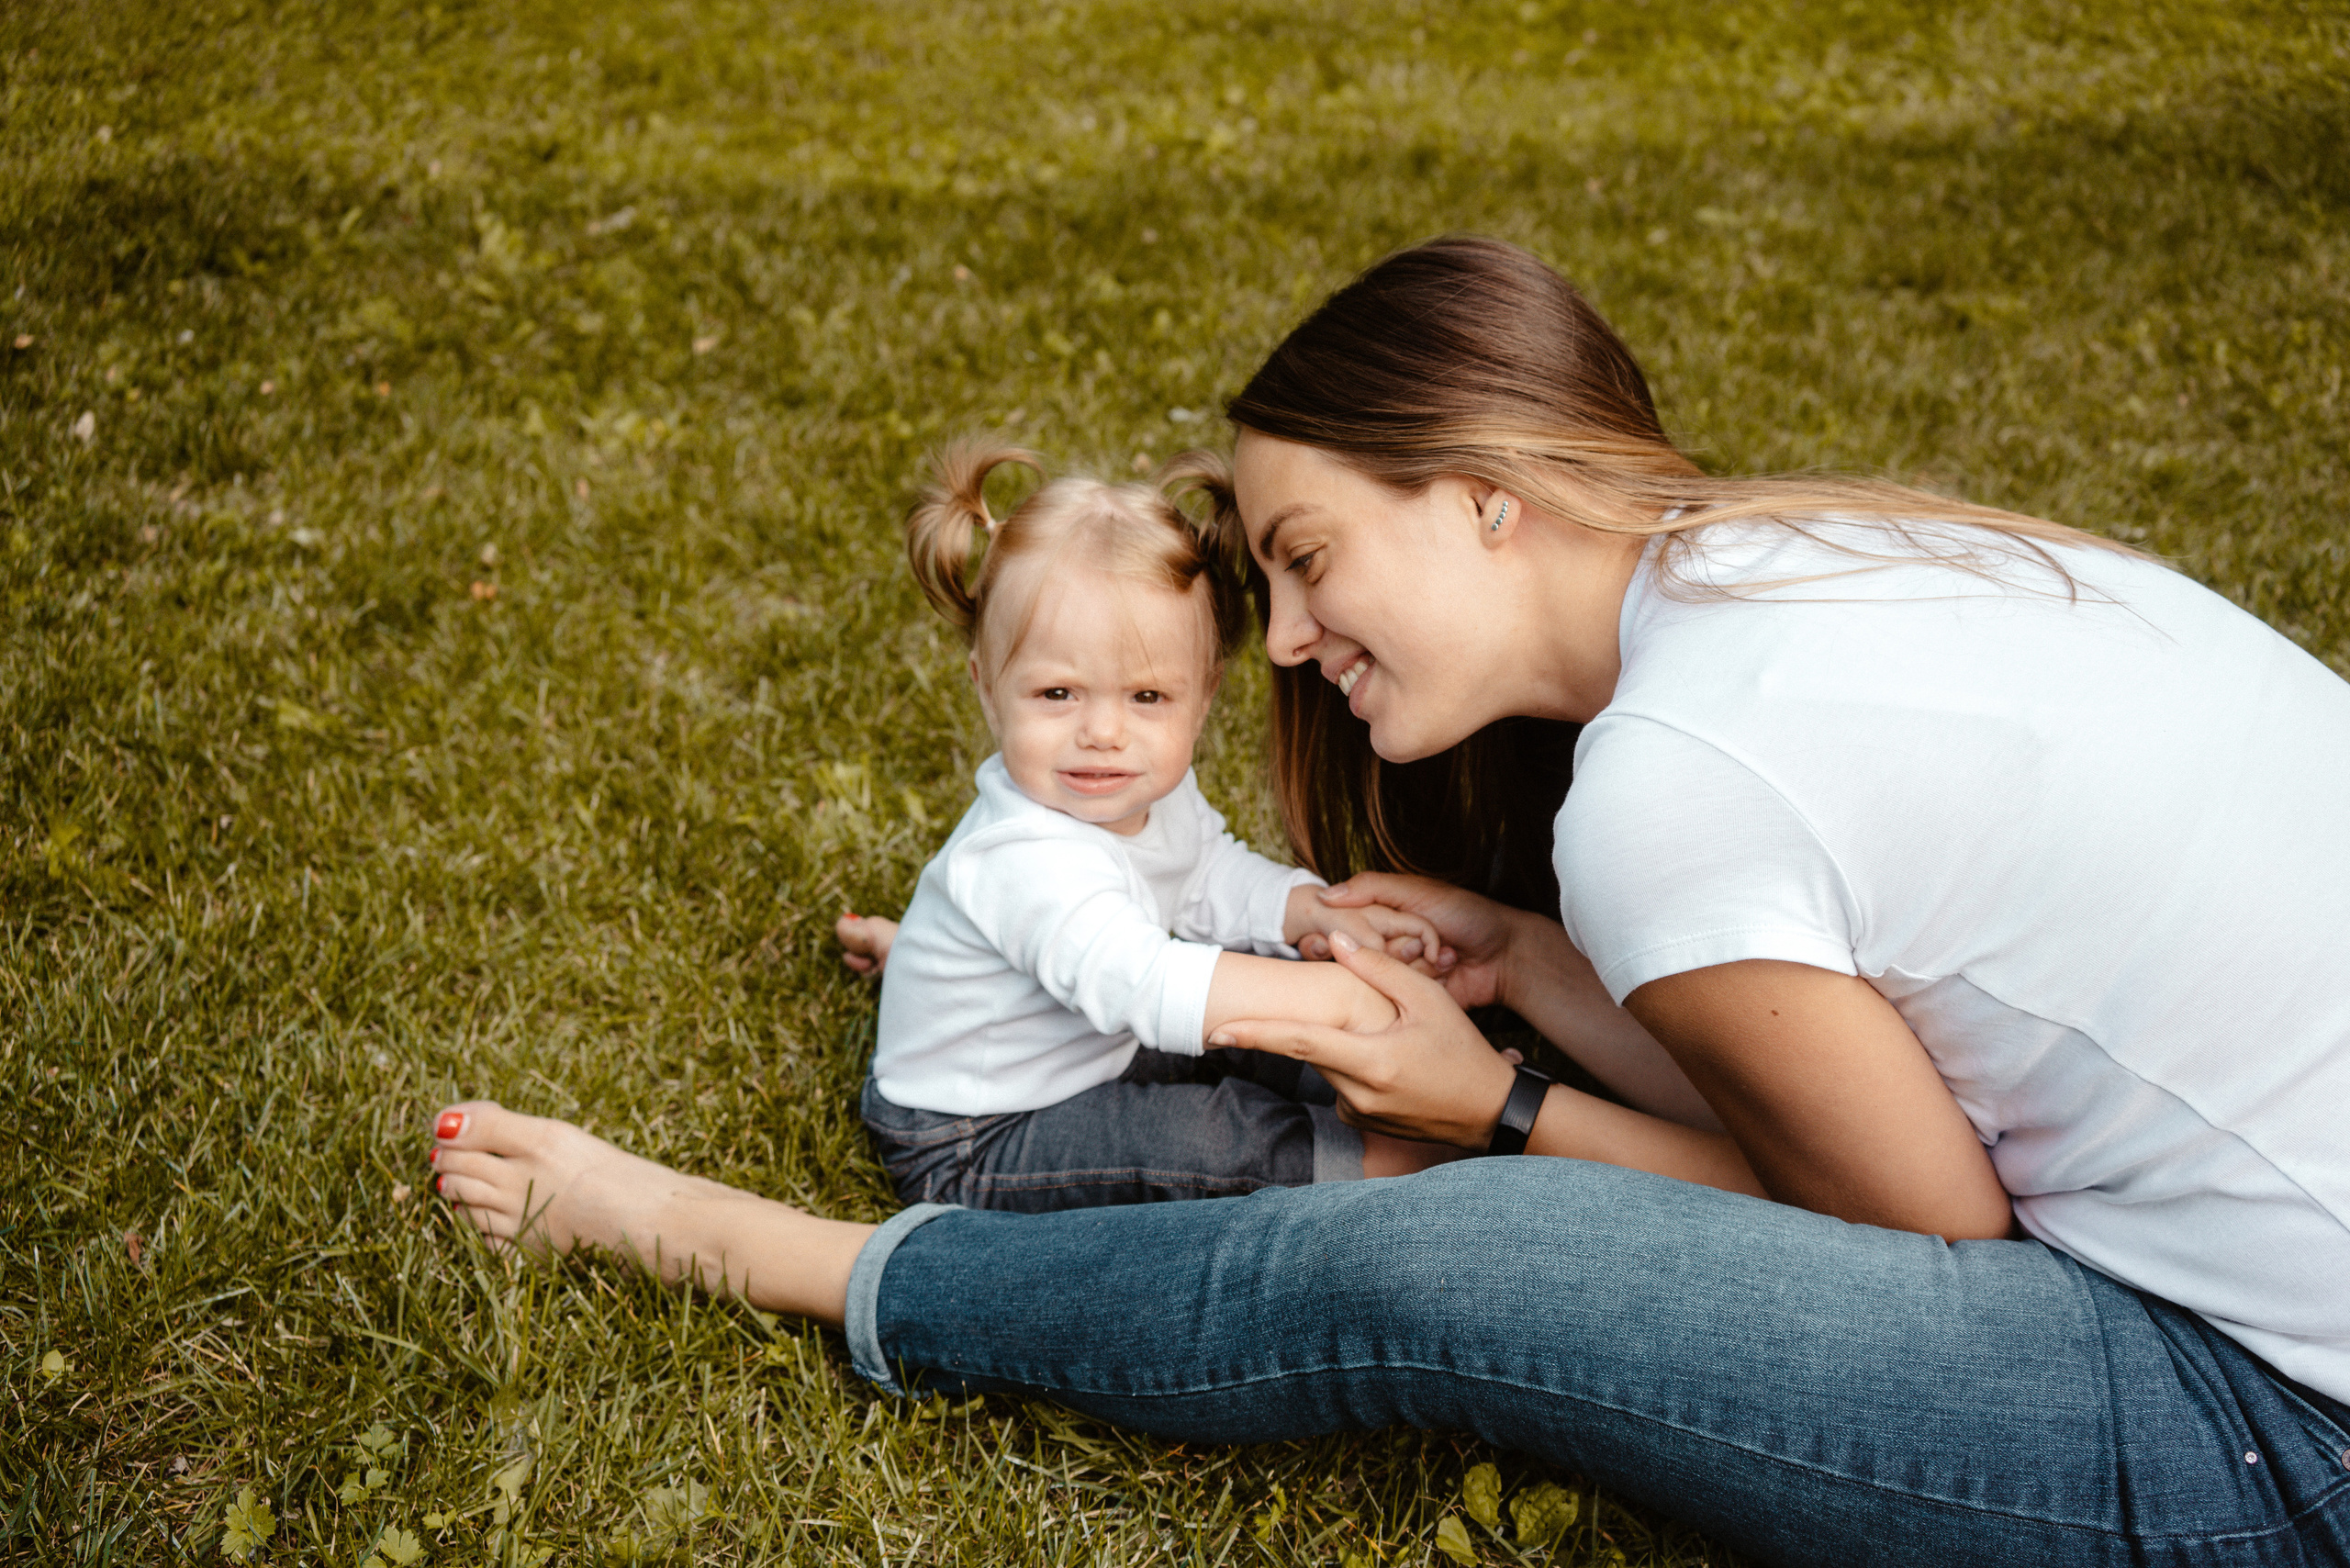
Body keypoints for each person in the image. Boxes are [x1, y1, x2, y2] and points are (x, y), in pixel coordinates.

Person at [427, 236, 2350, 1566]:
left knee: (1446, 1257)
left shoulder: (1673, 787)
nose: (1284, 634)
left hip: (2285, 1429)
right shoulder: (1815, 554)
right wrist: (1514, 959)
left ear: (1485, 493)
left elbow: (1930, 1232)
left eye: (1306, 553)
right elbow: (1901, 1049)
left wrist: (1497, 1110)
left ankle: (758, 1245)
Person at [838, 442, 1460, 1209]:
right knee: (1209, 1135)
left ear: (1202, 698)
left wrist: (1308, 912)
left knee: (1256, 995)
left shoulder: (1141, 793)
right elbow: (1148, 983)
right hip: (980, 1132)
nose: (1104, 732)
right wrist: (1337, 996)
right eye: (1059, 694)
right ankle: (1391, 1158)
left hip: (1089, 1044)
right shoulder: (1020, 858)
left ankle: (1390, 1073)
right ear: (988, 690)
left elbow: (1204, 871)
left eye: (1147, 699)